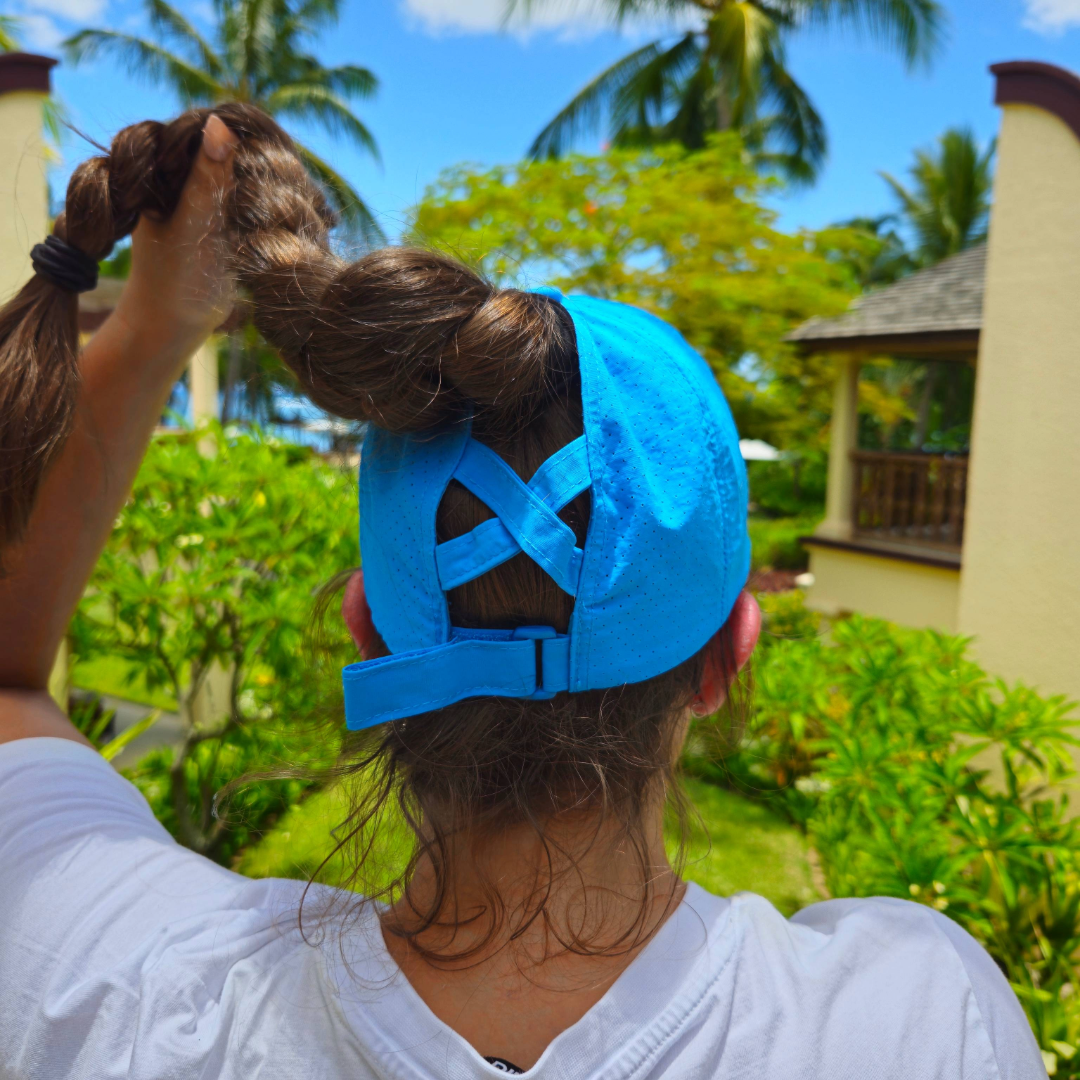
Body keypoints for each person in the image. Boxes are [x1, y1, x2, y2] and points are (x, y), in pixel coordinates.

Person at [0, 110, 1045, 1080]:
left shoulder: (127, 990)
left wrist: (149, 330)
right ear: (731, 654)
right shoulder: (914, 1019)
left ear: (367, 632)